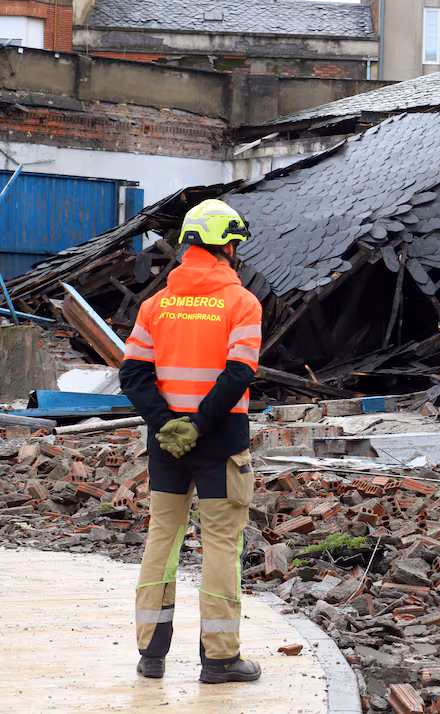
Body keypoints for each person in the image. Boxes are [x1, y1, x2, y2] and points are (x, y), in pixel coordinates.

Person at [119, 198, 263, 683]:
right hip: (220, 444)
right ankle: (220, 660)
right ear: (227, 246)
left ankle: (151, 655)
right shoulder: (242, 303)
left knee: (163, 538)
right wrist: (199, 425)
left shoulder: (156, 305)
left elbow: (133, 374)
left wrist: (167, 424)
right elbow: (238, 374)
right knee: (222, 544)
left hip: (165, 446)